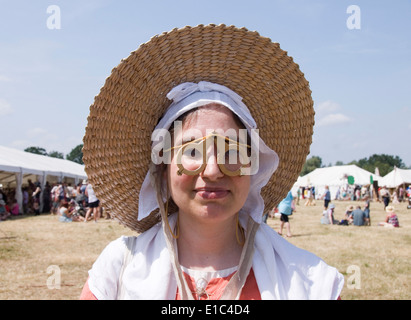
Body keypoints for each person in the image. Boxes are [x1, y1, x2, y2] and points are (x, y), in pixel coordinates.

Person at [80, 24, 343, 300]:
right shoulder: (115, 276)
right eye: (191, 152)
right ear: (163, 167)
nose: (213, 170)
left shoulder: (310, 283)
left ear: (253, 164)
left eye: (231, 152)